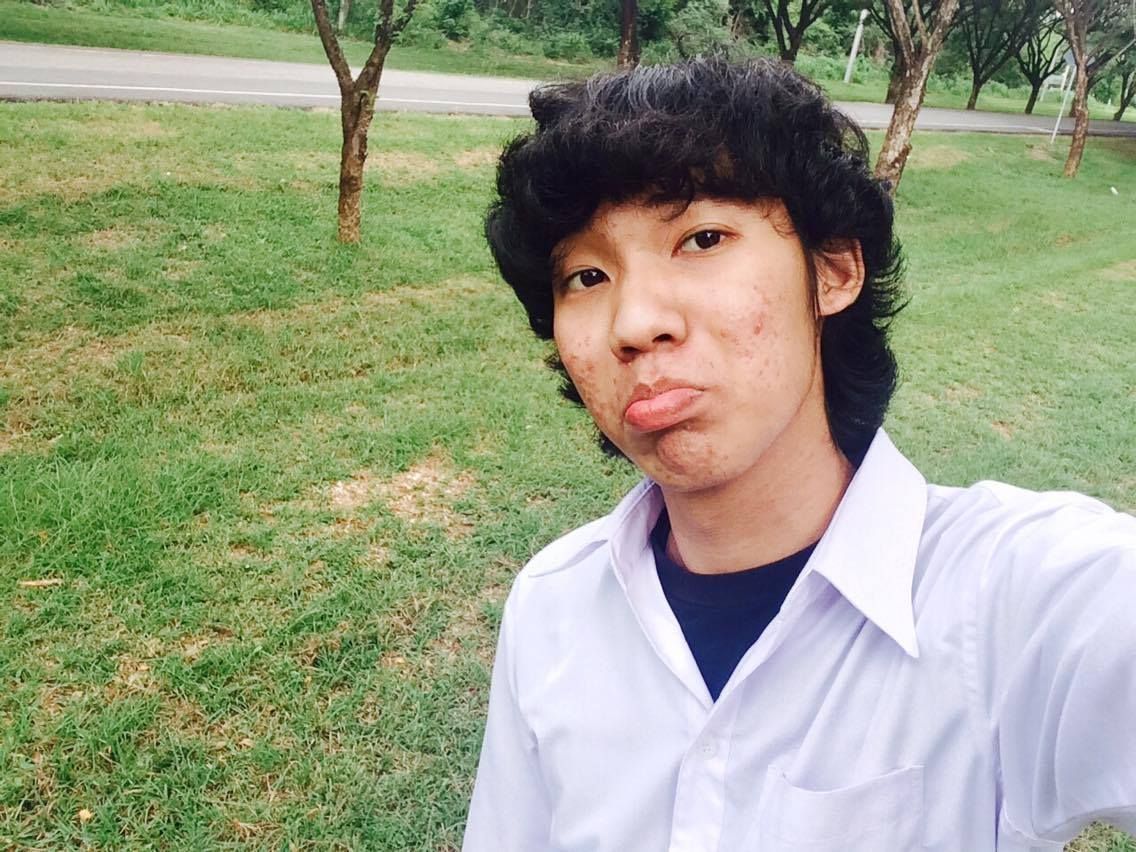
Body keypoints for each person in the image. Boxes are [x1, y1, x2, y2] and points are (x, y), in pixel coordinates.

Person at [461, 58, 1136, 851]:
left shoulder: (1022, 601)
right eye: (586, 276)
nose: (634, 323)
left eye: (702, 238)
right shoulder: (551, 607)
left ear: (833, 270)